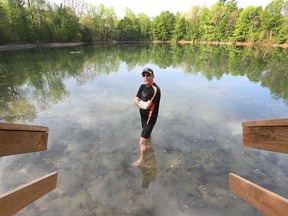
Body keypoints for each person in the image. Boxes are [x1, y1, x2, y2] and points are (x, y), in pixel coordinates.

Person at [133, 67, 161, 167]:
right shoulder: (142, 86)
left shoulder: (155, 90)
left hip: (150, 117)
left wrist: (139, 103)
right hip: (143, 116)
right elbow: (134, 100)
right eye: (144, 75)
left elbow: (146, 106)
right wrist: (141, 103)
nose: (146, 77)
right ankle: (149, 146)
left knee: (141, 141)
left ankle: (141, 160)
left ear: (153, 76)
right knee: (147, 135)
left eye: (148, 75)